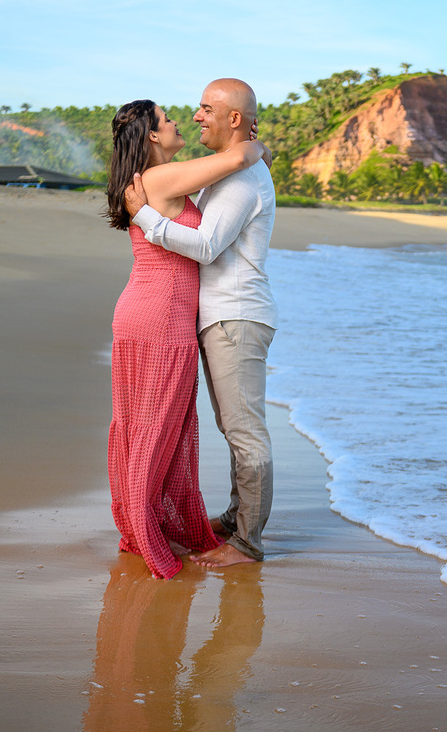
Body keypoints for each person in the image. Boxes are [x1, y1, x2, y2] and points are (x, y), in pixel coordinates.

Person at [105, 99, 268, 579]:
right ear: (153, 136)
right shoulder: (160, 179)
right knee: (155, 429)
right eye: (169, 119)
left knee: (159, 428)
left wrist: (253, 151)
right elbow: (238, 159)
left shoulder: (168, 176)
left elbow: (233, 170)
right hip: (158, 316)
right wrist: (256, 142)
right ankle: (142, 524)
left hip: (161, 313)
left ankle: (153, 518)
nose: (181, 121)